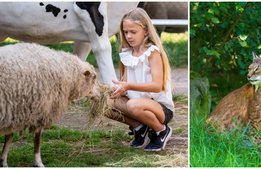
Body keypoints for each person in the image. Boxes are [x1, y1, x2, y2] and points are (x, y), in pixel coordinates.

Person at [107, 7, 174, 152]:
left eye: (133, 32)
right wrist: (118, 90)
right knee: (104, 102)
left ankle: (161, 130)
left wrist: (129, 86)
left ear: (146, 31)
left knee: (133, 105)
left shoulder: (153, 53)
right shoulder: (126, 54)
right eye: (126, 32)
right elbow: (126, 83)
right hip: (135, 104)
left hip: (159, 108)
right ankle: (140, 127)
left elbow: (157, 86)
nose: (129, 36)